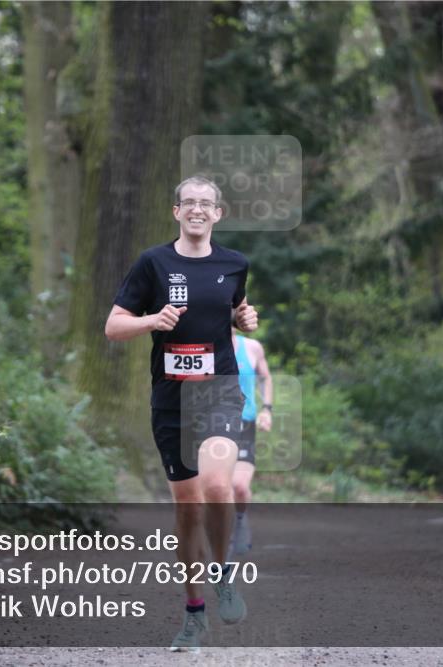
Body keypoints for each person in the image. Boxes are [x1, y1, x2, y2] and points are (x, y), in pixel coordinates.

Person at [104, 175, 258, 651]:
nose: (196, 209)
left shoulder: (234, 264)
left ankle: (223, 570)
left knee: (217, 485)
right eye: (187, 203)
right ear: (176, 212)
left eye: (205, 204)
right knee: (187, 508)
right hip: (171, 400)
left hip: (219, 392)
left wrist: (244, 319)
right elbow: (113, 327)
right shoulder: (153, 263)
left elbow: (234, 308)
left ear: (218, 213)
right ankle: (194, 615)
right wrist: (153, 320)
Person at [229, 326, 272, 558]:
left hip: (245, 425)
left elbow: (265, 378)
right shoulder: (205, 346)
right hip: (211, 424)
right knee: (218, 487)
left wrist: (267, 409)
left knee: (239, 487)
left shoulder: (252, 347)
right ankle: (221, 535)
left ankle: (240, 519)